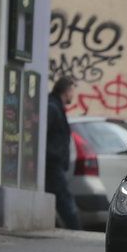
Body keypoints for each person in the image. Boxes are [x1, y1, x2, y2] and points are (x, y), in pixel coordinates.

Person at [46, 77, 80, 230]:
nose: (73, 94)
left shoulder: (56, 106)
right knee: (65, 200)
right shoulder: (53, 107)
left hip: (53, 162)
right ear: (66, 91)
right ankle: (76, 230)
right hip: (52, 163)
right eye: (72, 90)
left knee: (59, 199)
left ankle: (70, 227)